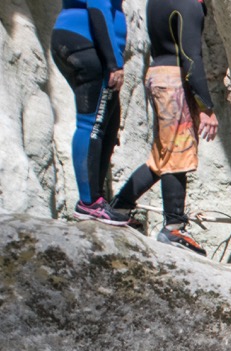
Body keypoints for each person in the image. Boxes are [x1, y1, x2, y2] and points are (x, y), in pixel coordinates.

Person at [112, 0, 219, 255]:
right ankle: (174, 227)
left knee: (162, 154)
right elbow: (192, 57)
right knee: (177, 152)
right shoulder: (189, 5)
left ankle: (120, 206)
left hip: (157, 73)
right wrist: (206, 107)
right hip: (174, 81)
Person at [51, 0, 129, 225]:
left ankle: (96, 199)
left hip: (80, 39)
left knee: (108, 123)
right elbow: (98, 6)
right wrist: (113, 62)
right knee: (91, 124)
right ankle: (89, 203)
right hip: (86, 42)